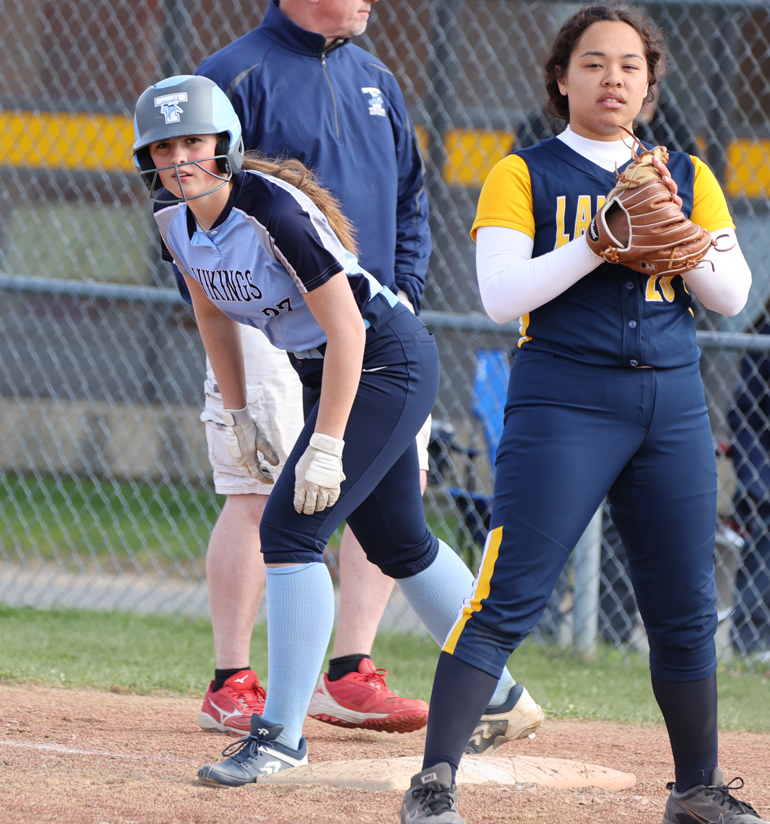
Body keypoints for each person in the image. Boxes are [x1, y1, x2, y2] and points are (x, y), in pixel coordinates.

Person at [399, 4, 763, 824]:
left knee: (683, 607)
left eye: (631, 66)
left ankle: (696, 790)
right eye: (594, 63)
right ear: (562, 80)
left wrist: (680, 231)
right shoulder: (522, 171)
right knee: (507, 593)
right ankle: (435, 782)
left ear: (650, 85)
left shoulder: (686, 174)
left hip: (670, 404)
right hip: (564, 398)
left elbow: (731, 298)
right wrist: (599, 239)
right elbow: (501, 296)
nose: (613, 79)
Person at [131, 74, 533, 786]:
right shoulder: (173, 220)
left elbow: (349, 330)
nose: (181, 160)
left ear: (227, 143)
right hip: (328, 368)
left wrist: (327, 444)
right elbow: (212, 314)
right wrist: (238, 412)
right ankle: (499, 694)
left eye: (194, 142)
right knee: (398, 541)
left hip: (384, 359)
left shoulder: (271, 210)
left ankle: (281, 737)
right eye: (164, 149)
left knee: (289, 529)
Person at [727, 310, 770, 658]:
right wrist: (757, 481)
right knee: (763, 550)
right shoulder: (765, 334)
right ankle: (751, 647)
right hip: (765, 469)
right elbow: (744, 415)